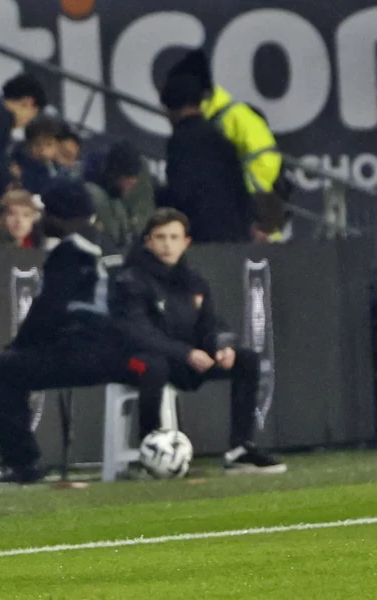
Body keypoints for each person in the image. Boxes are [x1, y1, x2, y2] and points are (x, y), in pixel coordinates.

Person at [111, 209, 284, 475]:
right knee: (153, 366)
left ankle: (240, 449)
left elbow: (210, 323)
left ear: (186, 242)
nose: (167, 244)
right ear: (148, 241)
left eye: (174, 237)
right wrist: (187, 353)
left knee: (246, 359)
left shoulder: (193, 280)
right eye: (160, 237)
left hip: (185, 359)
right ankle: (150, 452)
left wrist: (221, 346)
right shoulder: (130, 280)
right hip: (132, 359)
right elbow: (138, 333)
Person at [0, 178, 119, 484]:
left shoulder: (72, 248)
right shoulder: (108, 242)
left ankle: (22, 461)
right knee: (15, 368)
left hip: (87, 351)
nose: (43, 219)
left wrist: (19, 345)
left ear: (61, 216)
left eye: (47, 212)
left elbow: (48, 310)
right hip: (122, 349)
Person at [158, 72, 253, 244]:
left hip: (202, 237)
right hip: (235, 235)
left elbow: (181, 192)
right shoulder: (220, 138)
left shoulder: (181, 141)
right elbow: (241, 191)